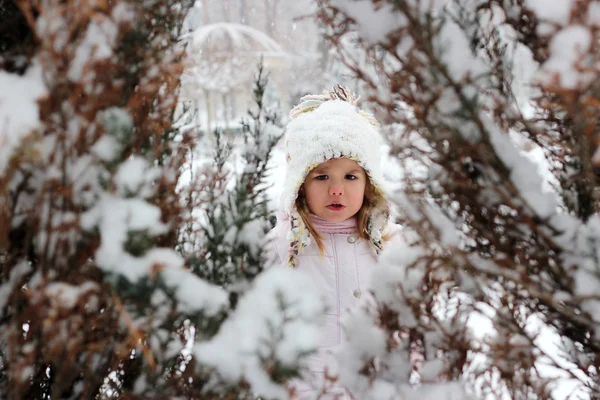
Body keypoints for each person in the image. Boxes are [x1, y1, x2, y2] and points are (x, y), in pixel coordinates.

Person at [267, 85, 398, 399]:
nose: (336, 189)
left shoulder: (391, 247)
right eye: (322, 176)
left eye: (350, 177)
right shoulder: (283, 248)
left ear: (370, 184)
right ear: (300, 184)